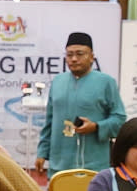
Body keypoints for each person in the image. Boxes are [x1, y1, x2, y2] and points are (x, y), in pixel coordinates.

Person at [36, 32, 126, 178]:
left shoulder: (106, 82)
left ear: (91, 57)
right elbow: (50, 122)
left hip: (94, 166)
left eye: (80, 54)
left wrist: (96, 126)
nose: (74, 59)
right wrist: (42, 152)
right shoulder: (58, 82)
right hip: (59, 166)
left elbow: (120, 119)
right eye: (69, 55)